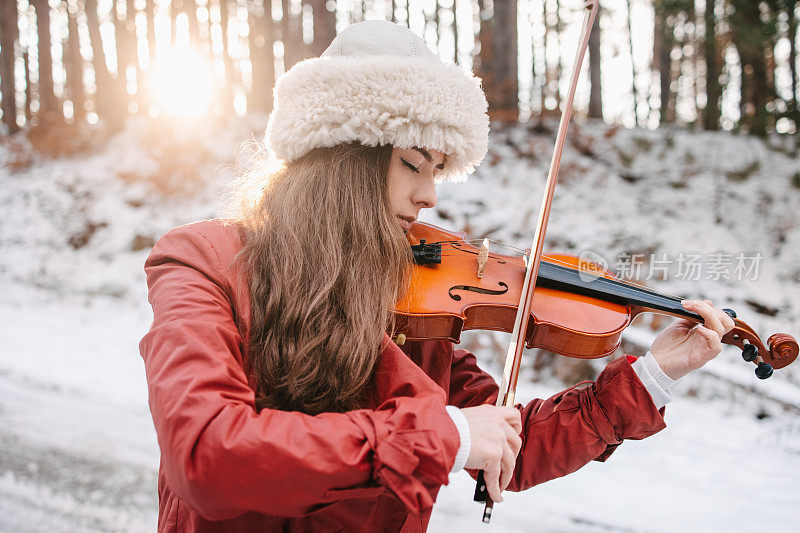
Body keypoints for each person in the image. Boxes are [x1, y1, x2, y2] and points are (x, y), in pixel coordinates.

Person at [139, 20, 735, 532]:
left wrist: (654, 374)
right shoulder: (206, 261)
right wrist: (442, 434)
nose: (429, 196)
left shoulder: (412, 302)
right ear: (344, 158)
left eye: (438, 170)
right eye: (410, 164)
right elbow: (209, 455)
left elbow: (509, 444)